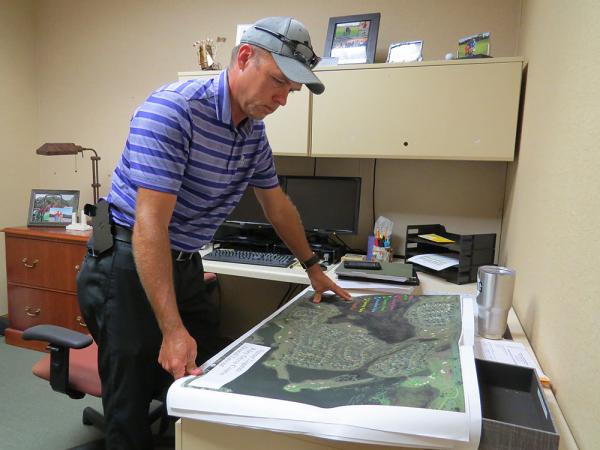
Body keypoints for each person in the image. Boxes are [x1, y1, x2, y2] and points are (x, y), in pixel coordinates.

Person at [77, 16, 351, 449]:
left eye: (290, 92)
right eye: (278, 82)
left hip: (183, 259)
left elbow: (275, 203)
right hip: (129, 261)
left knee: (209, 366)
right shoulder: (174, 110)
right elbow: (150, 226)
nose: (282, 99)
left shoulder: (251, 133)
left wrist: (313, 266)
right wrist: (170, 328)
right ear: (244, 57)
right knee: (128, 398)